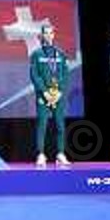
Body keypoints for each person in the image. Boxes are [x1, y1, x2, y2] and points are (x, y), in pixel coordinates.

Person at [30, 24, 71, 168]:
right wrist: (45, 92)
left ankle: (60, 154)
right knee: (42, 125)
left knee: (60, 125)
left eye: (50, 33)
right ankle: (41, 154)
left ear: (54, 35)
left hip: (58, 96)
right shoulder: (36, 54)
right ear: (41, 36)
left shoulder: (60, 54)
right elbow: (34, 76)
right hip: (43, 96)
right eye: (45, 33)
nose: (48, 35)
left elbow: (65, 75)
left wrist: (59, 92)